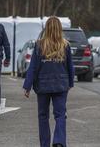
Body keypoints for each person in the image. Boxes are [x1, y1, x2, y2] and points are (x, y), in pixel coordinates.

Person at [23, 16, 74, 147]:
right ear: (59, 28)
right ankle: (59, 141)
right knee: (60, 115)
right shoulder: (65, 45)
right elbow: (70, 66)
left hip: (43, 85)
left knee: (43, 116)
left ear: (47, 28)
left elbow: (33, 67)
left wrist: (27, 86)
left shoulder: (40, 45)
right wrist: (70, 83)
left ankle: (45, 144)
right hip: (61, 85)